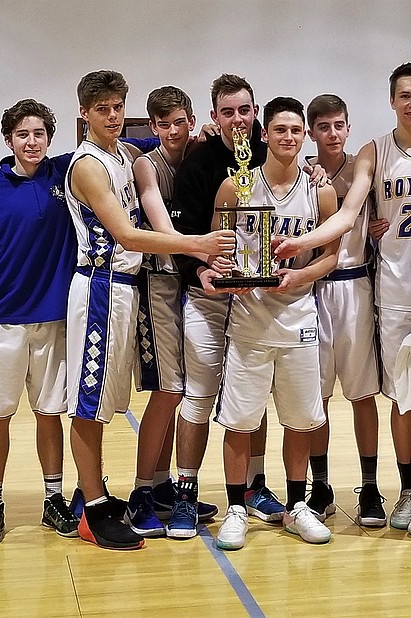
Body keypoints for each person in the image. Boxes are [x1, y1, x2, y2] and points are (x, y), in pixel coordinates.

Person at [277, 62, 411, 536]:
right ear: (392, 101)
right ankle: (407, 489)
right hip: (390, 289)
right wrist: (305, 245)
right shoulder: (374, 151)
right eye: (405, 95)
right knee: (399, 399)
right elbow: (349, 211)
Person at [63, 70, 234, 550]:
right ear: (85, 113)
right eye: (102, 109)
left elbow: (169, 137)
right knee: (89, 405)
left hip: (125, 288)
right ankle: (92, 508)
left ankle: (108, 494)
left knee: (106, 402)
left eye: (117, 106)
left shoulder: (124, 154)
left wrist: (200, 133)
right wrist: (196, 244)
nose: (113, 115)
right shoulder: (90, 166)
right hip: (99, 285)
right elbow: (127, 235)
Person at [212, 96, 340, 550]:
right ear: (264, 135)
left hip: (299, 315)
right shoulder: (237, 187)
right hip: (249, 318)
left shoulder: (318, 190)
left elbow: (332, 254)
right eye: (279, 129)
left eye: (295, 130)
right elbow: (218, 249)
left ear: (304, 136)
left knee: (301, 420)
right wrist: (228, 277)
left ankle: (297, 505)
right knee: (241, 420)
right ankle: (235, 508)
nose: (288, 137)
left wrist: (300, 274)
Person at [169, 74, 284, 530]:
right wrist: (202, 272)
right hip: (208, 297)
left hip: (257, 299)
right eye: (228, 111)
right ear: (214, 118)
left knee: (253, 399)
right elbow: (181, 240)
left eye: (245, 110)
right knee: (198, 397)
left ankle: (255, 487)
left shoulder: (272, 155)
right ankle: (186, 490)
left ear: (256, 112)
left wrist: (314, 170)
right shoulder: (198, 166)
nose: (238, 119)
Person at [0, 98, 82, 544]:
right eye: (22, 134)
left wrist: (191, 136)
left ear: (49, 138)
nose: (31, 141)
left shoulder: (64, 173)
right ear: (8, 140)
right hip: (2, 316)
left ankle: (53, 498)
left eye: (38, 133)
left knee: (49, 411)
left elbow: (121, 142)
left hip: (53, 316)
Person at [126, 85, 207, 539]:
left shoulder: (200, 152)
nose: (173, 131)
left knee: (183, 388)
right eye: (163, 124)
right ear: (152, 126)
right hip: (158, 279)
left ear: (191, 120)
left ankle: (160, 485)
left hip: (191, 281)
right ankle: (141, 489)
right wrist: (199, 250)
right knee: (168, 388)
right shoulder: (146, 163)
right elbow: (161, 223)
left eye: (180, 121)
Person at [301, 94, 385, 524]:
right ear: (311, 132)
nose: (333, 134)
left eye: (340, 125)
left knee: (362, 393)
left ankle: (370, 487)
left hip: (355, 285)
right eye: (324, 127)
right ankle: (320, 485)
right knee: (318, 396)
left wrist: (380, 224)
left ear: (348, 128)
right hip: (312, 288)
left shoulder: (364, 167)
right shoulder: (301, 173)